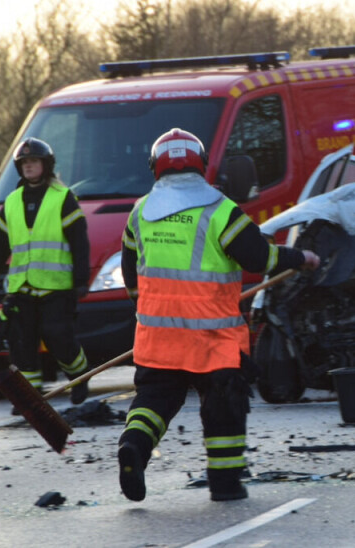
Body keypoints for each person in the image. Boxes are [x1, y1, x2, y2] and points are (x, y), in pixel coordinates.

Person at [117, 128, 320, 502]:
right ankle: (225, 485)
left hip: (157, 336)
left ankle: (134, 445)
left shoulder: (140, 212)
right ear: (201, 163)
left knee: (155, 400)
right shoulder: (220, 210)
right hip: (212, 338)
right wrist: (300, 258)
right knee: (224, 406)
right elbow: (261, 258)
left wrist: (145, 311)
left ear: (155, 166)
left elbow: (131, 273)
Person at [0, 137, 91, 406]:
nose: (29, 166)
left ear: (46, 165)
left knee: (58, 337)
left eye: (34, 162)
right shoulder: (12, 201)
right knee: (21, 343)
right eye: (24, 163)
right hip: (21, 288)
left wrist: (81, 280)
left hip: (57, 287)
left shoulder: (63, 198)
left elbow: (79, 242)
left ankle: (80, 377)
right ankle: (30, 399)